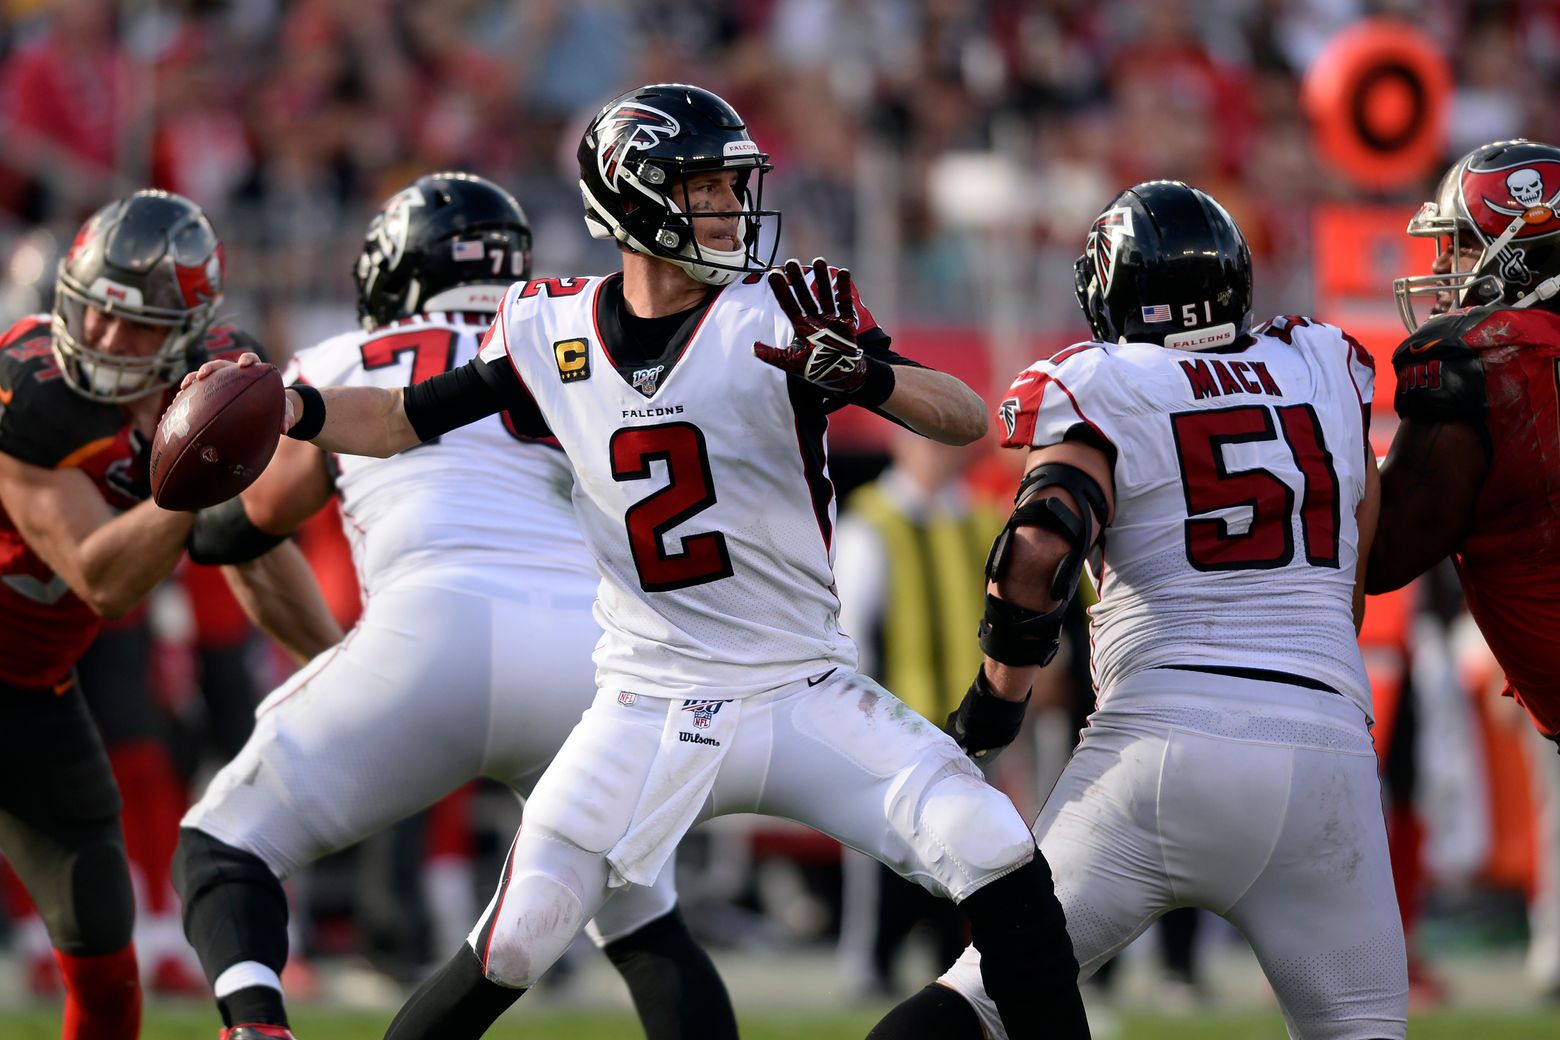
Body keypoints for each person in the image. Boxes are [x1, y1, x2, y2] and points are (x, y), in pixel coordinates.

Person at [187, 83, 1090, 1040]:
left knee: (991, 844)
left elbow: (962, 415)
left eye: (735, 188)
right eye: (705, 189)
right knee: (518, 938)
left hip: (796, 683)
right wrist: (297, 409)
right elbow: (410, 417)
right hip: (641, 699)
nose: (732, 211)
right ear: (633, 199)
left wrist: (869, 375)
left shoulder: (780, 312)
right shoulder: (549, 325)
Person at [172, 170, 742, 1040]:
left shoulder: (336, 359)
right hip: (591, 664)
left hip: (427, 634)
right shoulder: (575, 338)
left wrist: (190, 486)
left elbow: (248, 521)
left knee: (223, 843)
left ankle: (256, 1026)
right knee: (642, 916)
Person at [868, 180, 1408, 1040]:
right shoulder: (1324, 365)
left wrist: (994, 708)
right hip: (1323, 750)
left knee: (978, 1007)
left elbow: (1038, 548)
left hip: (1157, 750)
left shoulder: (1109, 381)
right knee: (1361, 1029)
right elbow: (1356, 564)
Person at [0, 190, 326, 1040]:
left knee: (106, 964)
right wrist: (195, 469)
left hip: (29, 694)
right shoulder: (25, 389)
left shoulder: (215, 381)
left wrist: (348, 673)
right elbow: (102, 577)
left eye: (136, 326)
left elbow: (241, 545)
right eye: (96, 314)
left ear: (184, 333)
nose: (106, 342)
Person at [1368, 138, 1560, 748]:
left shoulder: (1488, 357)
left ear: (1521, 257)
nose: (1446, 269)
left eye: (1462, 246)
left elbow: (1383, 554)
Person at [832, 431, 997, 999]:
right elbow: (851, 631)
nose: (936, 454)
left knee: (968, 851)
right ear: (899, 446)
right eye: (924, 441)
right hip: (895, 720)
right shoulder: (869, 521)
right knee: (884, 846)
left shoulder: (981, 518)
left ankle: (953, 973)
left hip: (972, 723)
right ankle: (869, 963)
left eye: (945, 443)